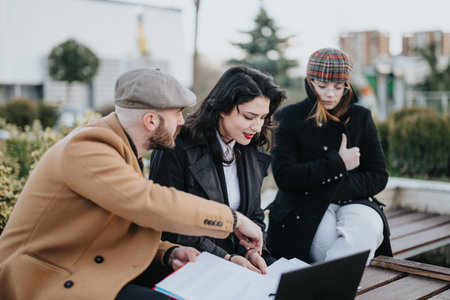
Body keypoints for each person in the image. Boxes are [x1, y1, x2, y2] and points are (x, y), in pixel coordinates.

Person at [0, 67, 264, 300]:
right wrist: (233, 220)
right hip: (42, 281)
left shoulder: (122, 150)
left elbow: (121, 224)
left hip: (84, 268)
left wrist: (168, 253)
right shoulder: (88, 147)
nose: (183, 121)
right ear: (151, 121)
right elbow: (148, 202)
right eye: (177, 113)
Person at [149, 66, 286, 273]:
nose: (258, 127)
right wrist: (227, 258)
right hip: (194, 263)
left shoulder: (252, 144)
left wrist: (252, 252)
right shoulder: (177, 146)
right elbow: (169, 225)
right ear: (223, 108)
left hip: (240, 262)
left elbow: (254, 214)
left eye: (263, 117)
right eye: (249, 117)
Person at [266, 48, 392, 265]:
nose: (330, 94)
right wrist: (338, 164)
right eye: (322, 86)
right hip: (303, 204)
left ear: (347, 85)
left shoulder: (361, 117)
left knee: (367, 230)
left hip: (354, 200)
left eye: (338, 87)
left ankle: (325, 287)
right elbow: (285, 177)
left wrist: (332, 189)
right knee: (328, 249)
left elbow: (378, 175)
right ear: (310, 82)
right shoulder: (288, 118)